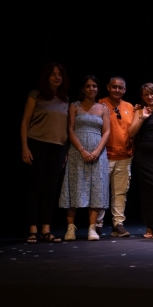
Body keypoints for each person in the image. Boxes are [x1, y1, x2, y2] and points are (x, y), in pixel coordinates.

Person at [21, 62, 70, 243]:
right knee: (35, 187)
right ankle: (33, 229)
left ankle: (46, 229)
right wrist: (24, 147)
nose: (57, 77)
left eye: (59, 74)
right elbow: (25, 122)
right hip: (37, 145)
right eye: (53, 74)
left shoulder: (65, 99)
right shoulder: (36, 95)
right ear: (46, 77)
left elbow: (65, 127)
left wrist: (65, 151)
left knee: (51, 190)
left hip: (58, 148)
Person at [60, 76, 111, 241]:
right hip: (77, 151)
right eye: (88, 86)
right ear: (83, 89)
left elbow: (107, 132)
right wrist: (82, 150)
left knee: (96, 188)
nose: (91, 89)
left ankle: (92, 228)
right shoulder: (74, 106)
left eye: (94, 86)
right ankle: (70, 228)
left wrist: (97, 151)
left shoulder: (103, 108)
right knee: (74, 186)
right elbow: (70, 129)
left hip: (98, 153)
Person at [128, 83, 153, 239]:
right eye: (146, 94)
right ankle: (149, 227)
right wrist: (142, 118)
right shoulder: (139, 110)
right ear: (142, 97)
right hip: (142, 157)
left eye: (152, 94)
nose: (150, 97)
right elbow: (131, 132)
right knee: (145, 193)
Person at [97, 76, 134, 237]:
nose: (117, 90)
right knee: (100, 191)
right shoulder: (99, 104)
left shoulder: (129, 107)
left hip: (124, 156)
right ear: (108, 87)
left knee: (120, 192)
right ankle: (97, 224)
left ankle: (118, 224)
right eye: (114, 87)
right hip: (103, 156)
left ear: (124, 90)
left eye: (120, 88)